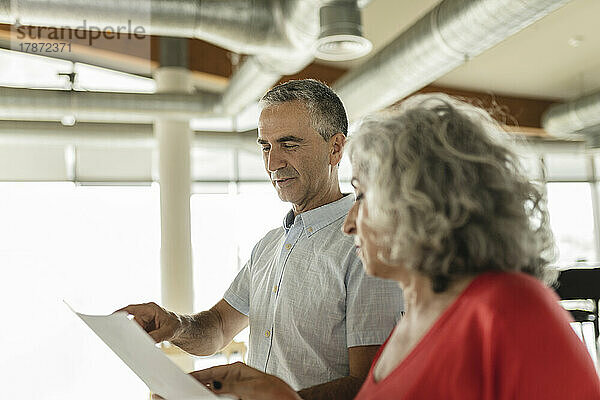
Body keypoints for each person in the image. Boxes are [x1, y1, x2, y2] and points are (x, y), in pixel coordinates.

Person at [188, 93, 600, 400]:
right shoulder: (414, 326)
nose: (349, 223)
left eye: (364, 197)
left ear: (427, 205)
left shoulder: (510, 309)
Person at [118, 79, 404, 399]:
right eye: (265, 146)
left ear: (335, 148)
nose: (272, 163)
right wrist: (175, 326)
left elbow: (371, 384)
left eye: (289, 144)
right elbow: (218, 328)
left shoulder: (366, 248)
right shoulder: (269, 246)